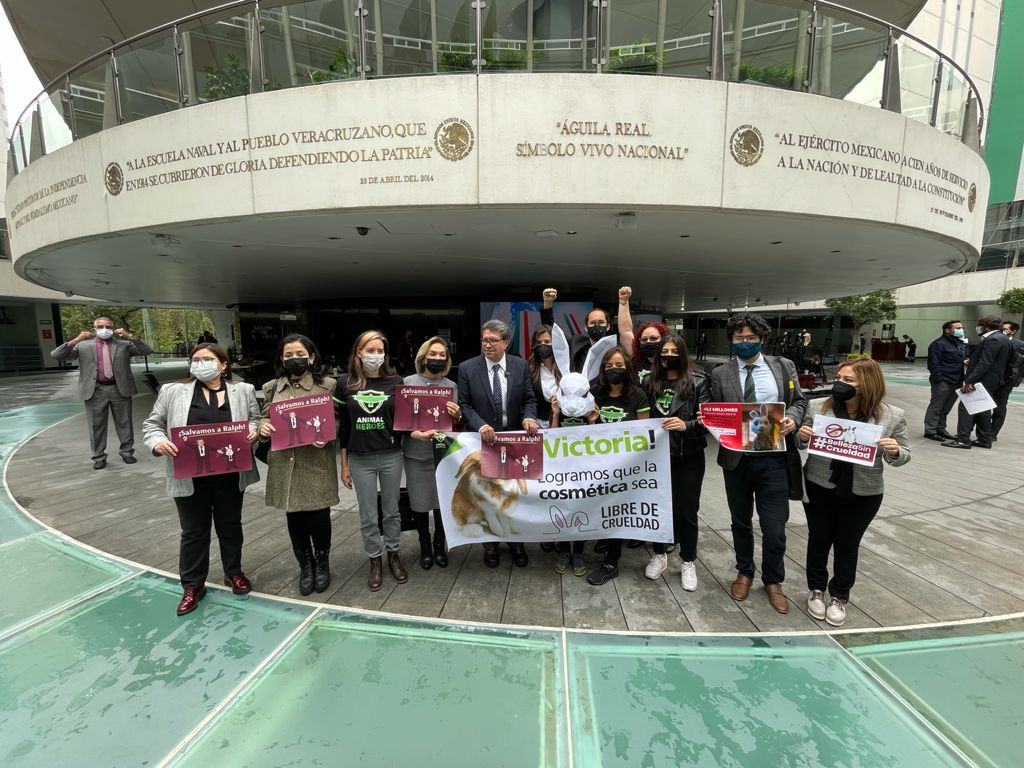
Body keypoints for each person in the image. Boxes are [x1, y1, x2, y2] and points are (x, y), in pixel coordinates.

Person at [143, 343, 260, 616]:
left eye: (207, 359)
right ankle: (193, 585)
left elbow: (254, 419)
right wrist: (157, 441)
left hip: (230, 472)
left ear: (223, 364)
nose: (200, 364)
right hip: (190, 475)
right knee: (193, 532)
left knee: (231, 525)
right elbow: (153, 424)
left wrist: (253, 431)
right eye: (195, 360)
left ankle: (234, 572)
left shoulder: (243, 390)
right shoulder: (172, 391)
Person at [796, 358, 910, 626]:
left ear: (867, 384)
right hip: (819, 484)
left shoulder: (892, 415)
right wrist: (801, 436)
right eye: (838, 378)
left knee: (848, 544)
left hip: (864, 491)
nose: (840, 383)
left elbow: (903, 454)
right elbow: (799, 443)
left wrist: (895, 450)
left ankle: (839, 595)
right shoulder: (818, 407)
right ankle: (816, 589)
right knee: (819, 538)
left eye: (848, 380)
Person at [709, 313, 807, 614]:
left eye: (751, 337)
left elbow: (799, 401)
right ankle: (745, 571)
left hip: (774, 458)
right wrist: (710, 418)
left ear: (762, 339)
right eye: (739, 338)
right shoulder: (720, 373)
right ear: (731, 340)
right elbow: (715, 409)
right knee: (740, 521)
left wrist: (793, 419)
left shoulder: (783, 366)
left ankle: (773, 580)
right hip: (736, 460)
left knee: (774, 527)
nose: (745, 342)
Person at [257, 334, 339, 596]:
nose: (294, 359)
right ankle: (305, 565)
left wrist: (328, 434)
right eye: (288, 355)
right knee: (294, 516)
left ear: (311, 357)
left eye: (300, 354)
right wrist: (263, 427)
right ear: (281, 358)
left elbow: (339, 419)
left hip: (316, 461)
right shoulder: (272, 387)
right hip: (285, 462)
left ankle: (322, 562)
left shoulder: (328, 386)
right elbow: (263, 417)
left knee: (319, 515)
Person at [457, 319, 540, 568]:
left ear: (506, 342)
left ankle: (517, 544)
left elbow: (529, 399)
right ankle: (490, 545)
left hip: (514, 443)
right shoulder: (467, 368)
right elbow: (464, 405)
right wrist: (481, 425)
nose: (487, 345)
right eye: (484, 340)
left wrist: (529, 417)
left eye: (493, 340)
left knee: (512, 493)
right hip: (483, 442)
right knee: (488, 492)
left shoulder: (520, 366)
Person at [338, 330, 408, 590]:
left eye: (380, 351)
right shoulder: (345, 383)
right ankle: (374, 559)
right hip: (360, 458)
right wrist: (344, 464)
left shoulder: (396, 381)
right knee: (368, 515)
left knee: (391, 511)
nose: (376, 355)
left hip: (391, 455)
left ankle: (393, 554)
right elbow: (344, 427)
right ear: (359, 352)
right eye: (370, 350)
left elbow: (405, 418)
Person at [642, 334, 710, 591]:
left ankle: (688, 561)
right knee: (657, 508)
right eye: (664, 351)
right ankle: (659, 554)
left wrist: (686, 425)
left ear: (682, 354)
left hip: (687, 457)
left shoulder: (698, 382)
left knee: (687, 512)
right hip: (656, 458)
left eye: (674, 351)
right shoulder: (649, 382)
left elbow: (708, 422)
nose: (668, 356)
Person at [580, 346, 650, 585]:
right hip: (597, 465)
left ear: (627, 368)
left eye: (619, 365)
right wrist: (592, 421)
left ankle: (611, 562)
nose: (614, 369)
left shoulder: (638, 395)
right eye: (609, 366)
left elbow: (645, 432)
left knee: (616, 512)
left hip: (625, 467)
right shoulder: (594, 393)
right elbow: (585, 434)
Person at [51, 316, 153, 469]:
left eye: (108, 326)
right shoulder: (83, 346)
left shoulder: (124, 345)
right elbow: (56, 355)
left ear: (113, 328)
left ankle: (127, 452)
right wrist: (77, 339)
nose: (104, 329)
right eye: (100, 327)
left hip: (120, 389)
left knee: (124, 423)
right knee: (96, 425)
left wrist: (129, 336)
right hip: (95, 390)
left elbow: (147, 351)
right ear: (94, 329)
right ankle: (99, 456)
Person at [403, 336, 462, 569]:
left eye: (442, 355)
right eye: (433, 354)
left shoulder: (451, 386)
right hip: (416, 454)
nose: (437, 358)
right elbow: (401, 420)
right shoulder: (408, 382)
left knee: (441, 502)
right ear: (423, 356)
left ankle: (439, 543)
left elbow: (456, 425)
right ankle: (424, 544)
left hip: (442, 455)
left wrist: (457, 415)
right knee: (419, 502)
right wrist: (413, 433)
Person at [942, 315, 1011, 450]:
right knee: (983, 409)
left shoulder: (993, 339)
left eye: (980, 325)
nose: (978, 328)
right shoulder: (1002, 338)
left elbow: (985, 362)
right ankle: (984, 439)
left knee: (966, 406)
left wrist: (970, 381)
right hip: (991, 380)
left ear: (986, 326)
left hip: (984, 380)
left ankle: (963, 439)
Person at [540, 287, 625, 373]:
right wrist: (547, 303)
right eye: (593, 323)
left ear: (608, 326)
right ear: (586, 327)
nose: (597, 326)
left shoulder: (615, 349)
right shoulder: (576, 343)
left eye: (601, 322)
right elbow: (552, 332)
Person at [614, 285, 671, 382]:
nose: (648, 342)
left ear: (664, 339)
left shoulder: (672, 363)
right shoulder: (636, 360)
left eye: (653, 338)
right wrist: (623, 302)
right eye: (644, 339)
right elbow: (626, 331)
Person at [923, 320, 968, 441]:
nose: (961, 330)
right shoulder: (938, 344)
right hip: (943, 381)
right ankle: (930, 430)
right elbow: (933, 364)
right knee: (936, 406)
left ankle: (940, 429)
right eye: (957, 328)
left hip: (957, 380)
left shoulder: (958, 343)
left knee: (946, 407)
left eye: (961, 327)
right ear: (947, 330)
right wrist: (939, 379)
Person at [990, 321, 1024, 442]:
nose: (1001, 331)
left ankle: (992, 434)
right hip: (991, 378)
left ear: (1013, 331)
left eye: (1005, 329)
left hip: (1006, 380)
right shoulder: (994, 340)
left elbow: (1021, 366)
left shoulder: (1020, 345)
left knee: (1000, 406)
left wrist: (1015, 380)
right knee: (982, 406)